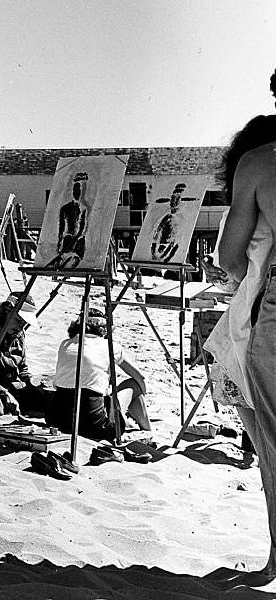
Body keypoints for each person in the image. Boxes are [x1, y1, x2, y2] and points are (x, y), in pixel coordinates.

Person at [218, 110, 276, 582]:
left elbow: (228, 256)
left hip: (267, 306)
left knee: (272, 442)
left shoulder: (260, 162)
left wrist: (250, 283)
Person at [204, 115, 276, 463]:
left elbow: (230, 257)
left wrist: (238, 278)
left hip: (258, 301)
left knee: (268, 446)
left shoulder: (256, 172)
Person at [45, 307, 151, 441]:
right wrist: (142, 393)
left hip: (56, 419)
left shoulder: (65, 344)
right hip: (93, 426)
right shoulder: (111, 346)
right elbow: (140, 377)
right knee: (133, 385)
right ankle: (148, 430)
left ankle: (139, 425)